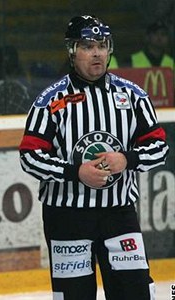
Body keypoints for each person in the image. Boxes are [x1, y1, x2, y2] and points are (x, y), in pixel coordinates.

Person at [19, 15, 169, 299]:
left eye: (102, 44)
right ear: (72, 51)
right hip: (66, 216)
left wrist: (127, 159)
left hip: (119, 214)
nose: (97, 52)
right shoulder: (51, 101)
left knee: (135, 292)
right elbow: (29, 156)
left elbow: (160, 147)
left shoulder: (133, 96)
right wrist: (75, 172)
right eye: (88, 46)